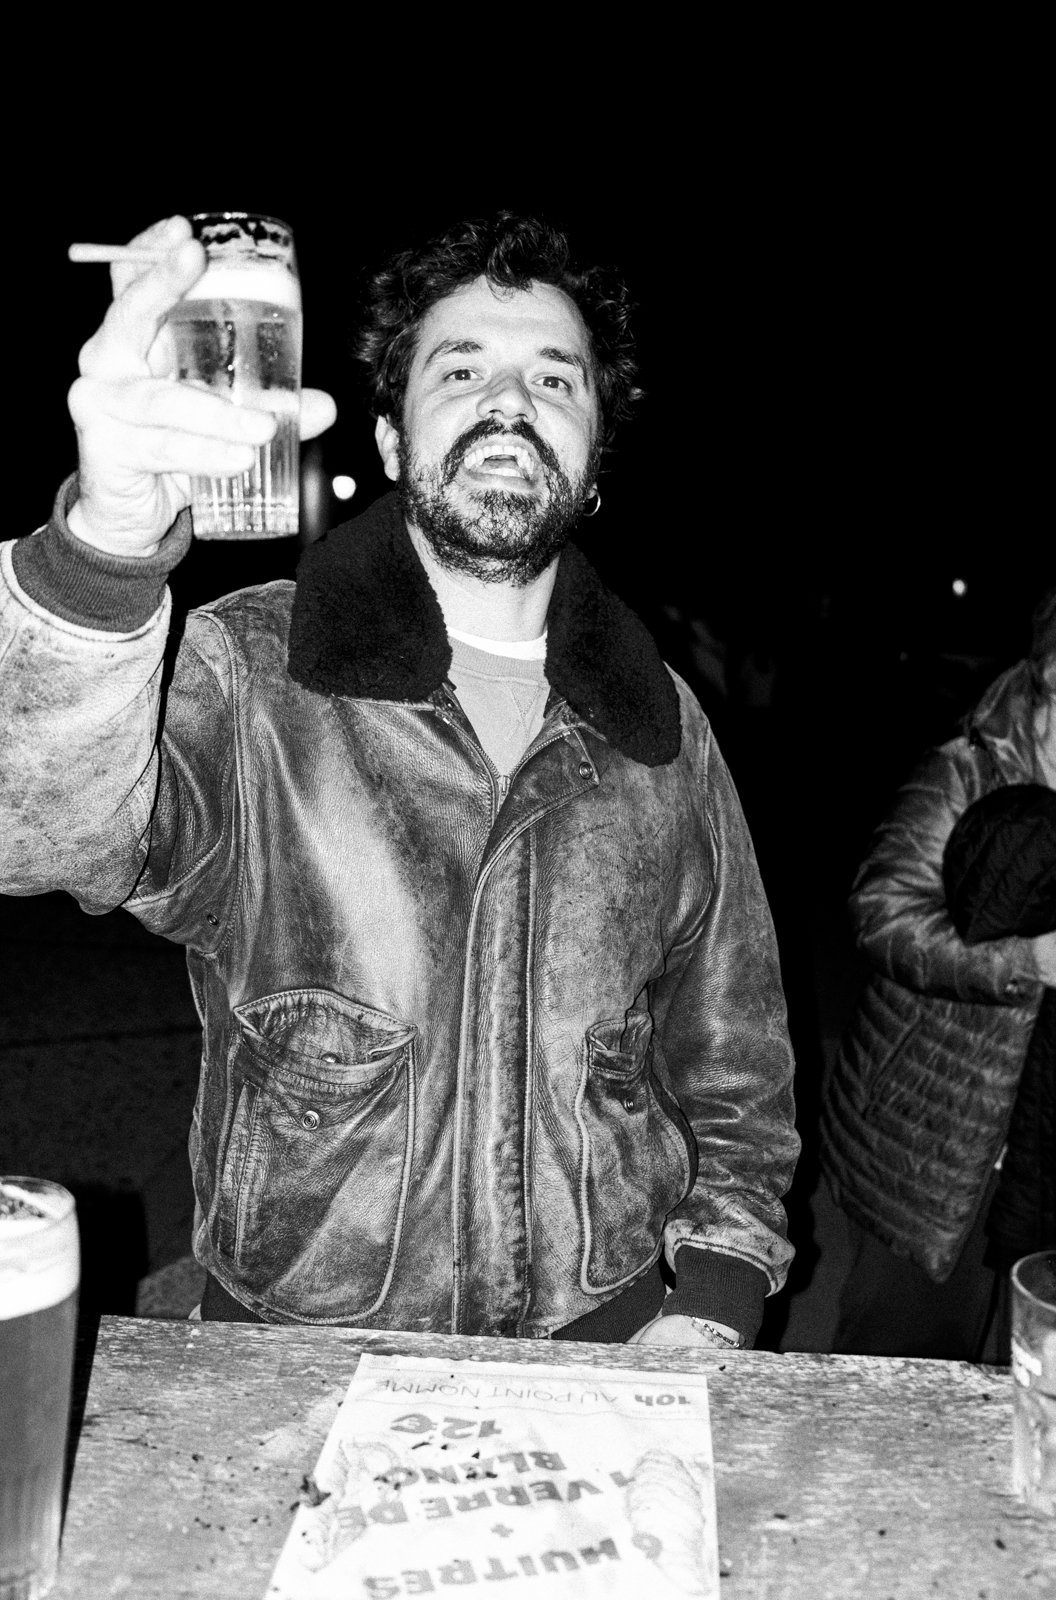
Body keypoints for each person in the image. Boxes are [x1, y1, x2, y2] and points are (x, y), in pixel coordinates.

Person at [0, 211, 798, 1348]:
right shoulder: (254, 672)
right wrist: (106, 545)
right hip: (299, 1342)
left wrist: (715, 1296)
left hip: (606, 1335)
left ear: (594, 459)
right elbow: (38, 837)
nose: (507, 402)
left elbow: (736, 1057)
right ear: (385, 438)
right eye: (459, 368)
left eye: (553, 378)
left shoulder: (661, 724)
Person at [820, 584, 1056, 1360]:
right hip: (934, 1135)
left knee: (1019, 1368)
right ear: (1042, 686)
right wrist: (1018, 961)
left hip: (1041, 1139)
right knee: (902, 1362)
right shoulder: (964, 773)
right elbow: (880, 910)